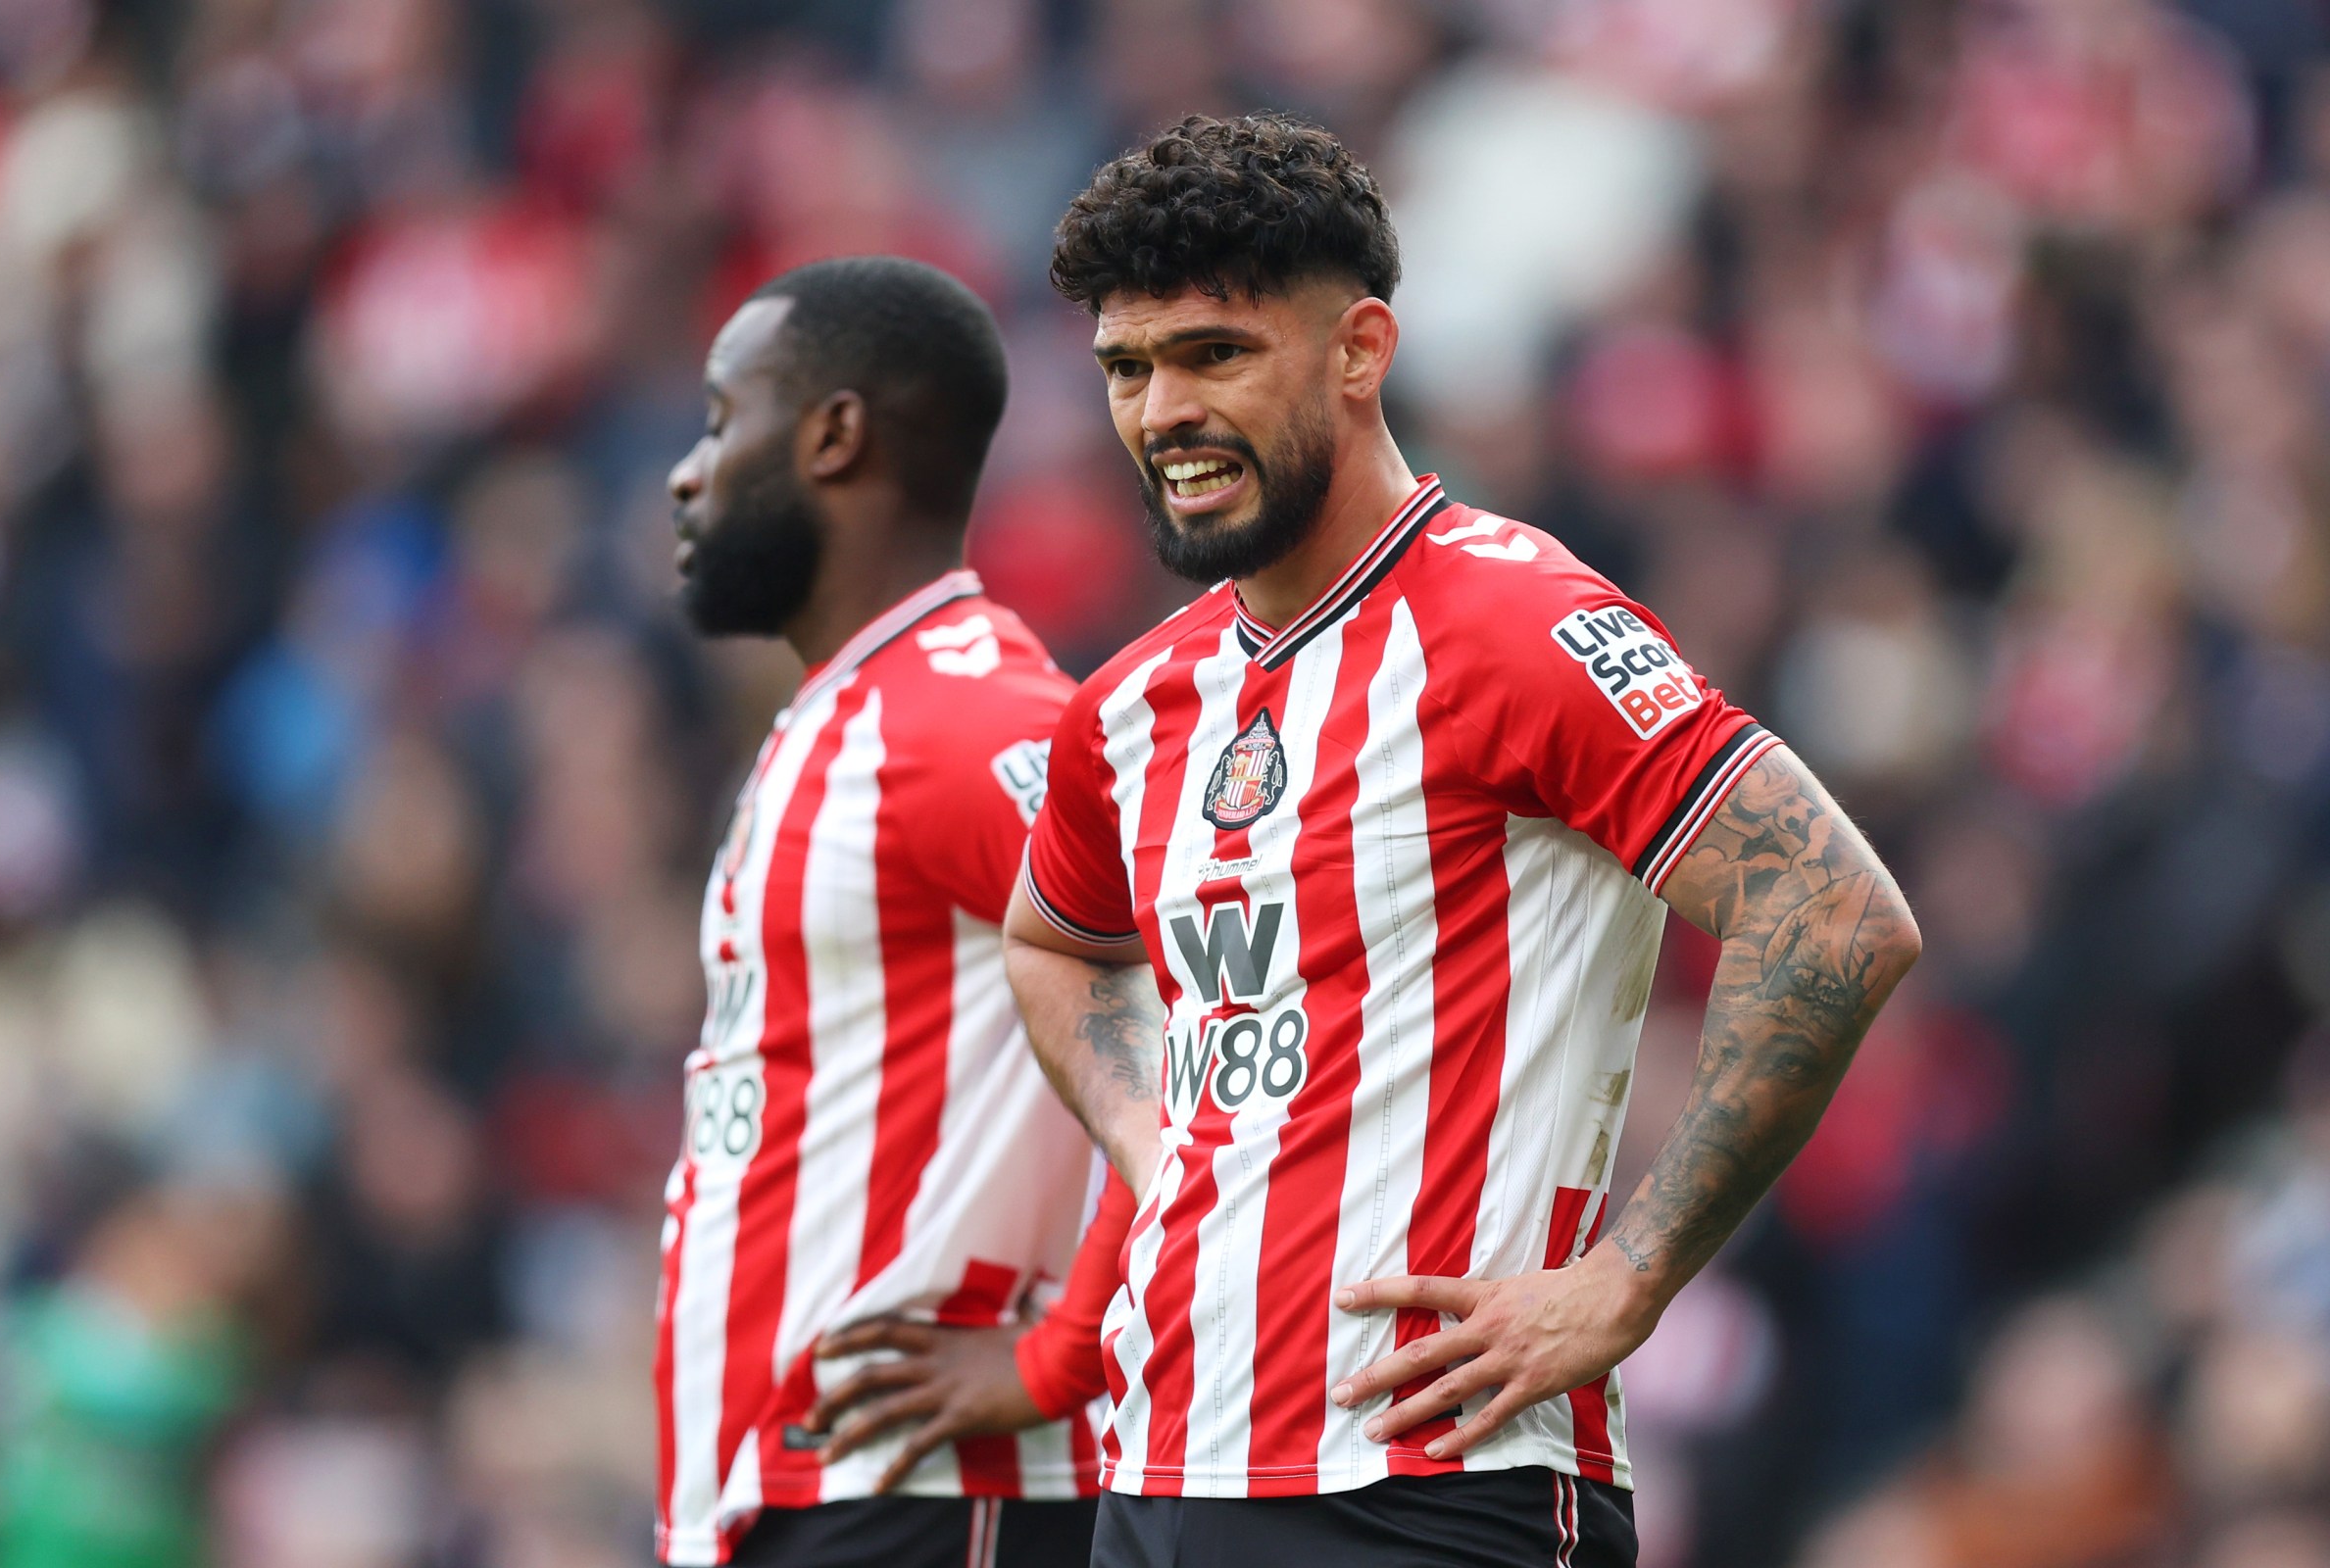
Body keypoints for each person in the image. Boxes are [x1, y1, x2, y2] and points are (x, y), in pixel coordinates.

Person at [1004, 113, 1924, 1568]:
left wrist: (1627, 1279)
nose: (1161, 410)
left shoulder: (1515, 625)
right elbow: (1052, 941)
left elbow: (1833, 913)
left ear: (1360, 351)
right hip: (1162, 1468)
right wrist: (1151, 1131)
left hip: (1435, 1486)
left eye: (1214, 355)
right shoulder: (1129, 705)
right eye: (1129, 367)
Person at [654, 254, 1121, 1568]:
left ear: (833, 435)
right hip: (805, 1494)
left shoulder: (968, 720)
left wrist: (1060, 1351)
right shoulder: (848, 715)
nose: (686, 472)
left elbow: (1218, 1015)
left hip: (915, 1496)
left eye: (717, 417)